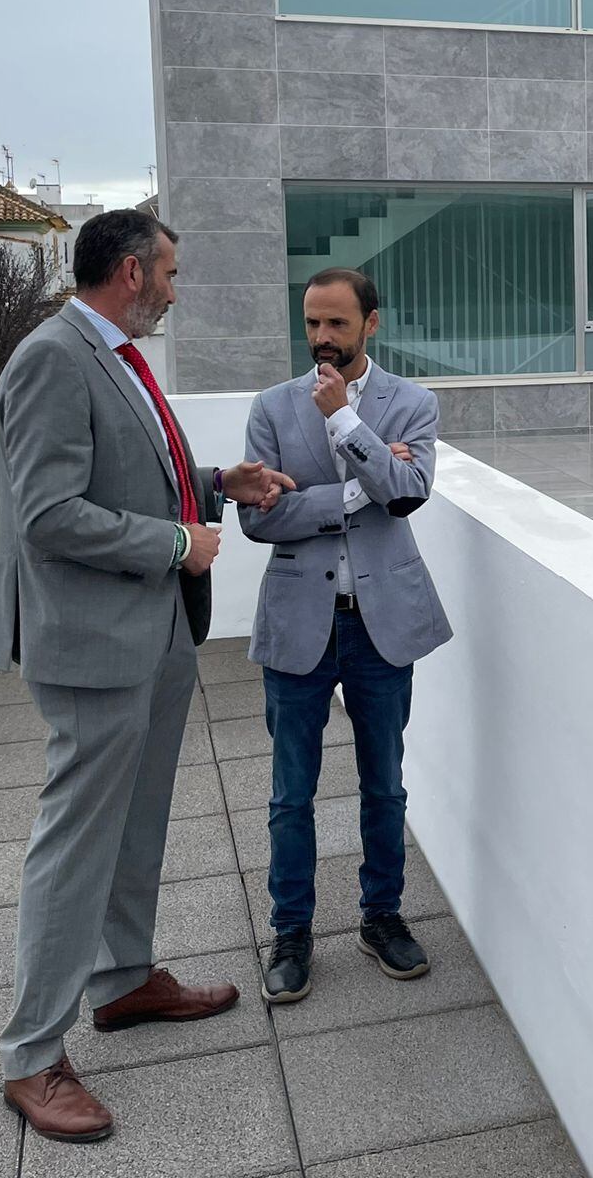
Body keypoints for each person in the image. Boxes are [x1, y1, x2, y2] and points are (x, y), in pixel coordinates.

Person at [0, 209, 294, 1143]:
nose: (175, 286)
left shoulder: (110, 353)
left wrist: (213, 485)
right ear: (129, 272)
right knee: (77, 839)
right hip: (92, 639)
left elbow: (130, 469)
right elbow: (47, 514)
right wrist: (174, 542)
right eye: (169, 271)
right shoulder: (52, 356)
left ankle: (122, 982)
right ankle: (32, 1056)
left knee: (140, 818)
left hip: (151, 630)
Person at [239, 267, 453, 1005]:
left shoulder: (414, 404)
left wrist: (344, 425)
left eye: (336, 324)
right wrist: (366, 485)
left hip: (380, 627)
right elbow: (261, 518)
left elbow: (411, 494)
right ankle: (290, 929)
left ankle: (381, 917)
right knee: (289, 795)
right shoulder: (271, 408)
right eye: (311, 324)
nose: (322, 340)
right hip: (301, 620)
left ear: (372, 324)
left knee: (383, 787)